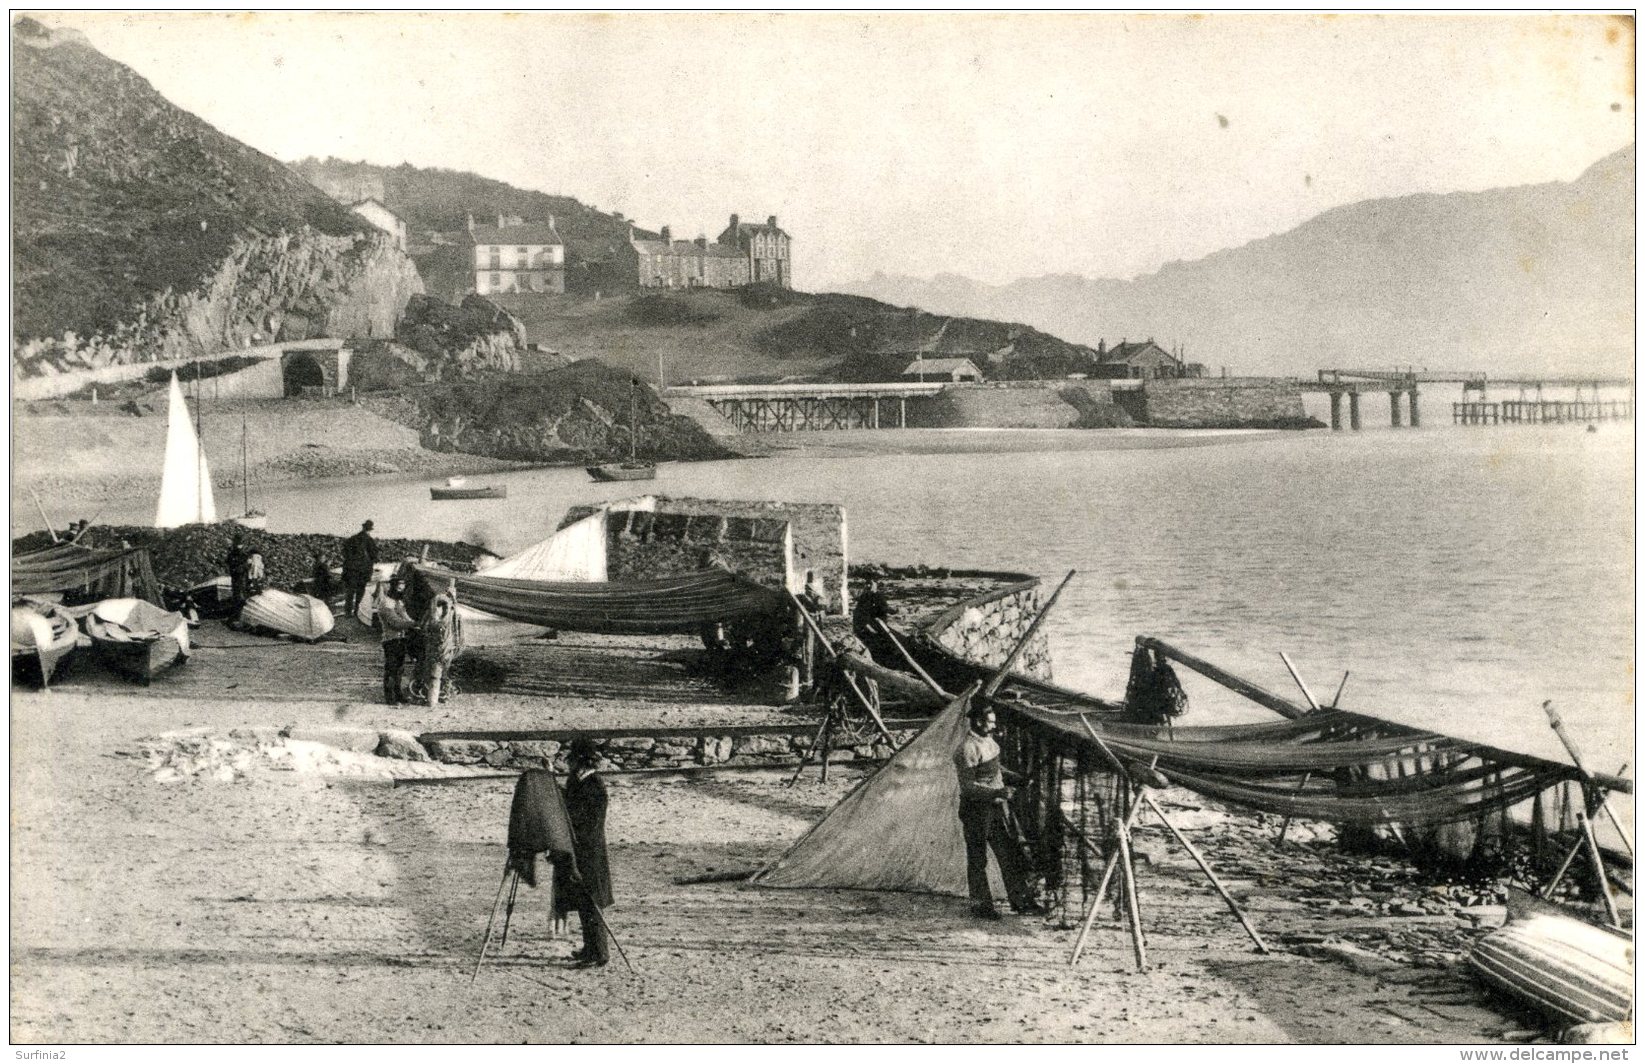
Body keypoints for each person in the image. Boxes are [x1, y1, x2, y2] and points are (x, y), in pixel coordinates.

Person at [953, 701, 1042, 920]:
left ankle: (1021, 901)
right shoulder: (966, 748)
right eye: (990, 722)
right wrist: (997, 792)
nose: (994, 726)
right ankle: (981, 907)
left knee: (1008, 855)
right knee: (978, 859)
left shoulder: (989, 742)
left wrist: (1016, 778)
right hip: (975, 810)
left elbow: (994, 769)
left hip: (994, 809)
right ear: (978, 722)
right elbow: (969, 787)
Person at [555, 738, 613, 968]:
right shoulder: (576, 781)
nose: (568, 764)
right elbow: (569, 803)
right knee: (582, 901)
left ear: (581, 762)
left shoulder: (595, 787)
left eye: (572, 761)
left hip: (590, 853)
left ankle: (600, 953)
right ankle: (590, 948)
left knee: (592, 903)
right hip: (578, 851)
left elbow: (589, 824)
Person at [378, 576, 416, 704]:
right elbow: (396, 623)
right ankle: (390, 697)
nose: (401, 590)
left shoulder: (398, 603)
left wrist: (413, 623)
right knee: (392, 668)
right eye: (399, 587)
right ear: (393, 587)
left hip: (400, 639)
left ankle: (398, 694)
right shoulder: (386, 603)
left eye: (403, 587)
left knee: (399, 669)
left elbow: (406, 618)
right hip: (390, 639)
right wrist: (414, 624)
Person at [341, 520, 379, 618]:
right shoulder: (370, 541)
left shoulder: (352, 539)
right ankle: (357, 612)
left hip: (350, 571)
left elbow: (344, 552)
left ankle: (348, 612)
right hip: (363, 571)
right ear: (370, 529)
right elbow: (374, 556)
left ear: (363, 528)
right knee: (360, 591)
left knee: (350, 592)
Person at [225, 533, 250, 606]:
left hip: (238, 574)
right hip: (238, 574)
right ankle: (239, 602)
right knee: (239, 589)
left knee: (238, 589)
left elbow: (228, 562)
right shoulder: (240, 553)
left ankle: (239, 602)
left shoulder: (235, 553)